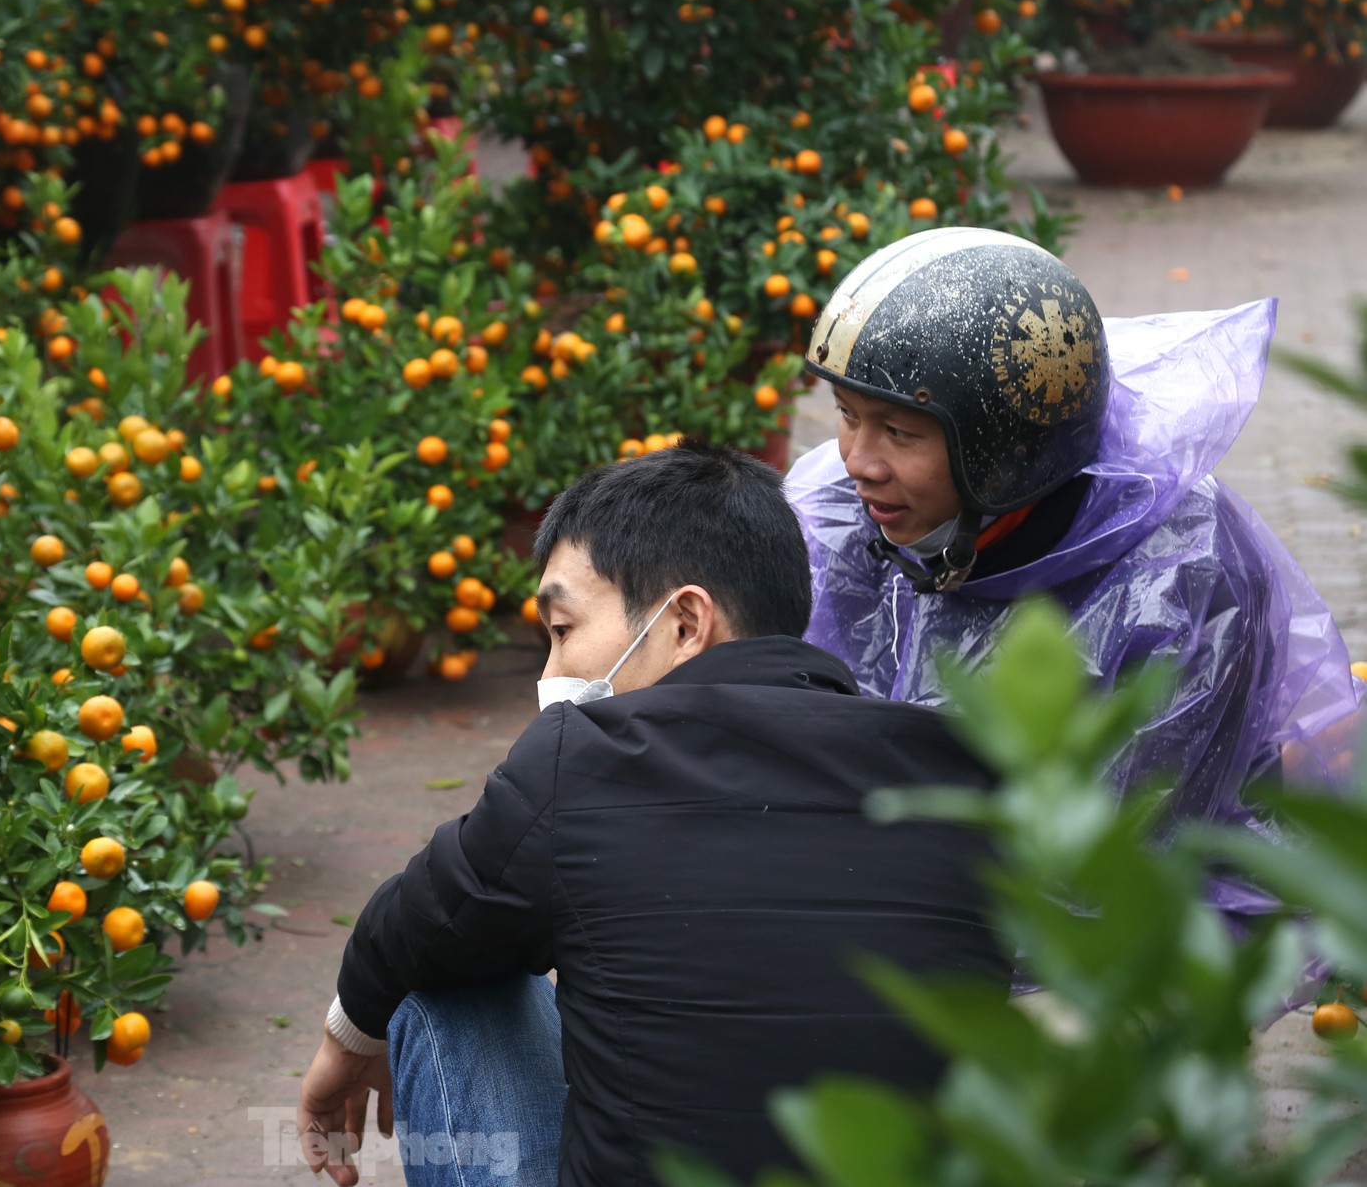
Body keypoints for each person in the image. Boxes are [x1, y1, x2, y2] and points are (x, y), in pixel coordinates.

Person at [296, 443, 1009, 1187]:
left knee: (444, 970)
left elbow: (418, 919)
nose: (548, 673)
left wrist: (347, 1042)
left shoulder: (581, 758)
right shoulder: (957, 770)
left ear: (684, 621)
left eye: (563, 629)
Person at [788, 226, 1360, 918]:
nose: (857, 459)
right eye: (847, 417)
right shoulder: (832, 509)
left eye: (899, 432)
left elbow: (1134, 856)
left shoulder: (1182, 572)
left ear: (1008, 449)